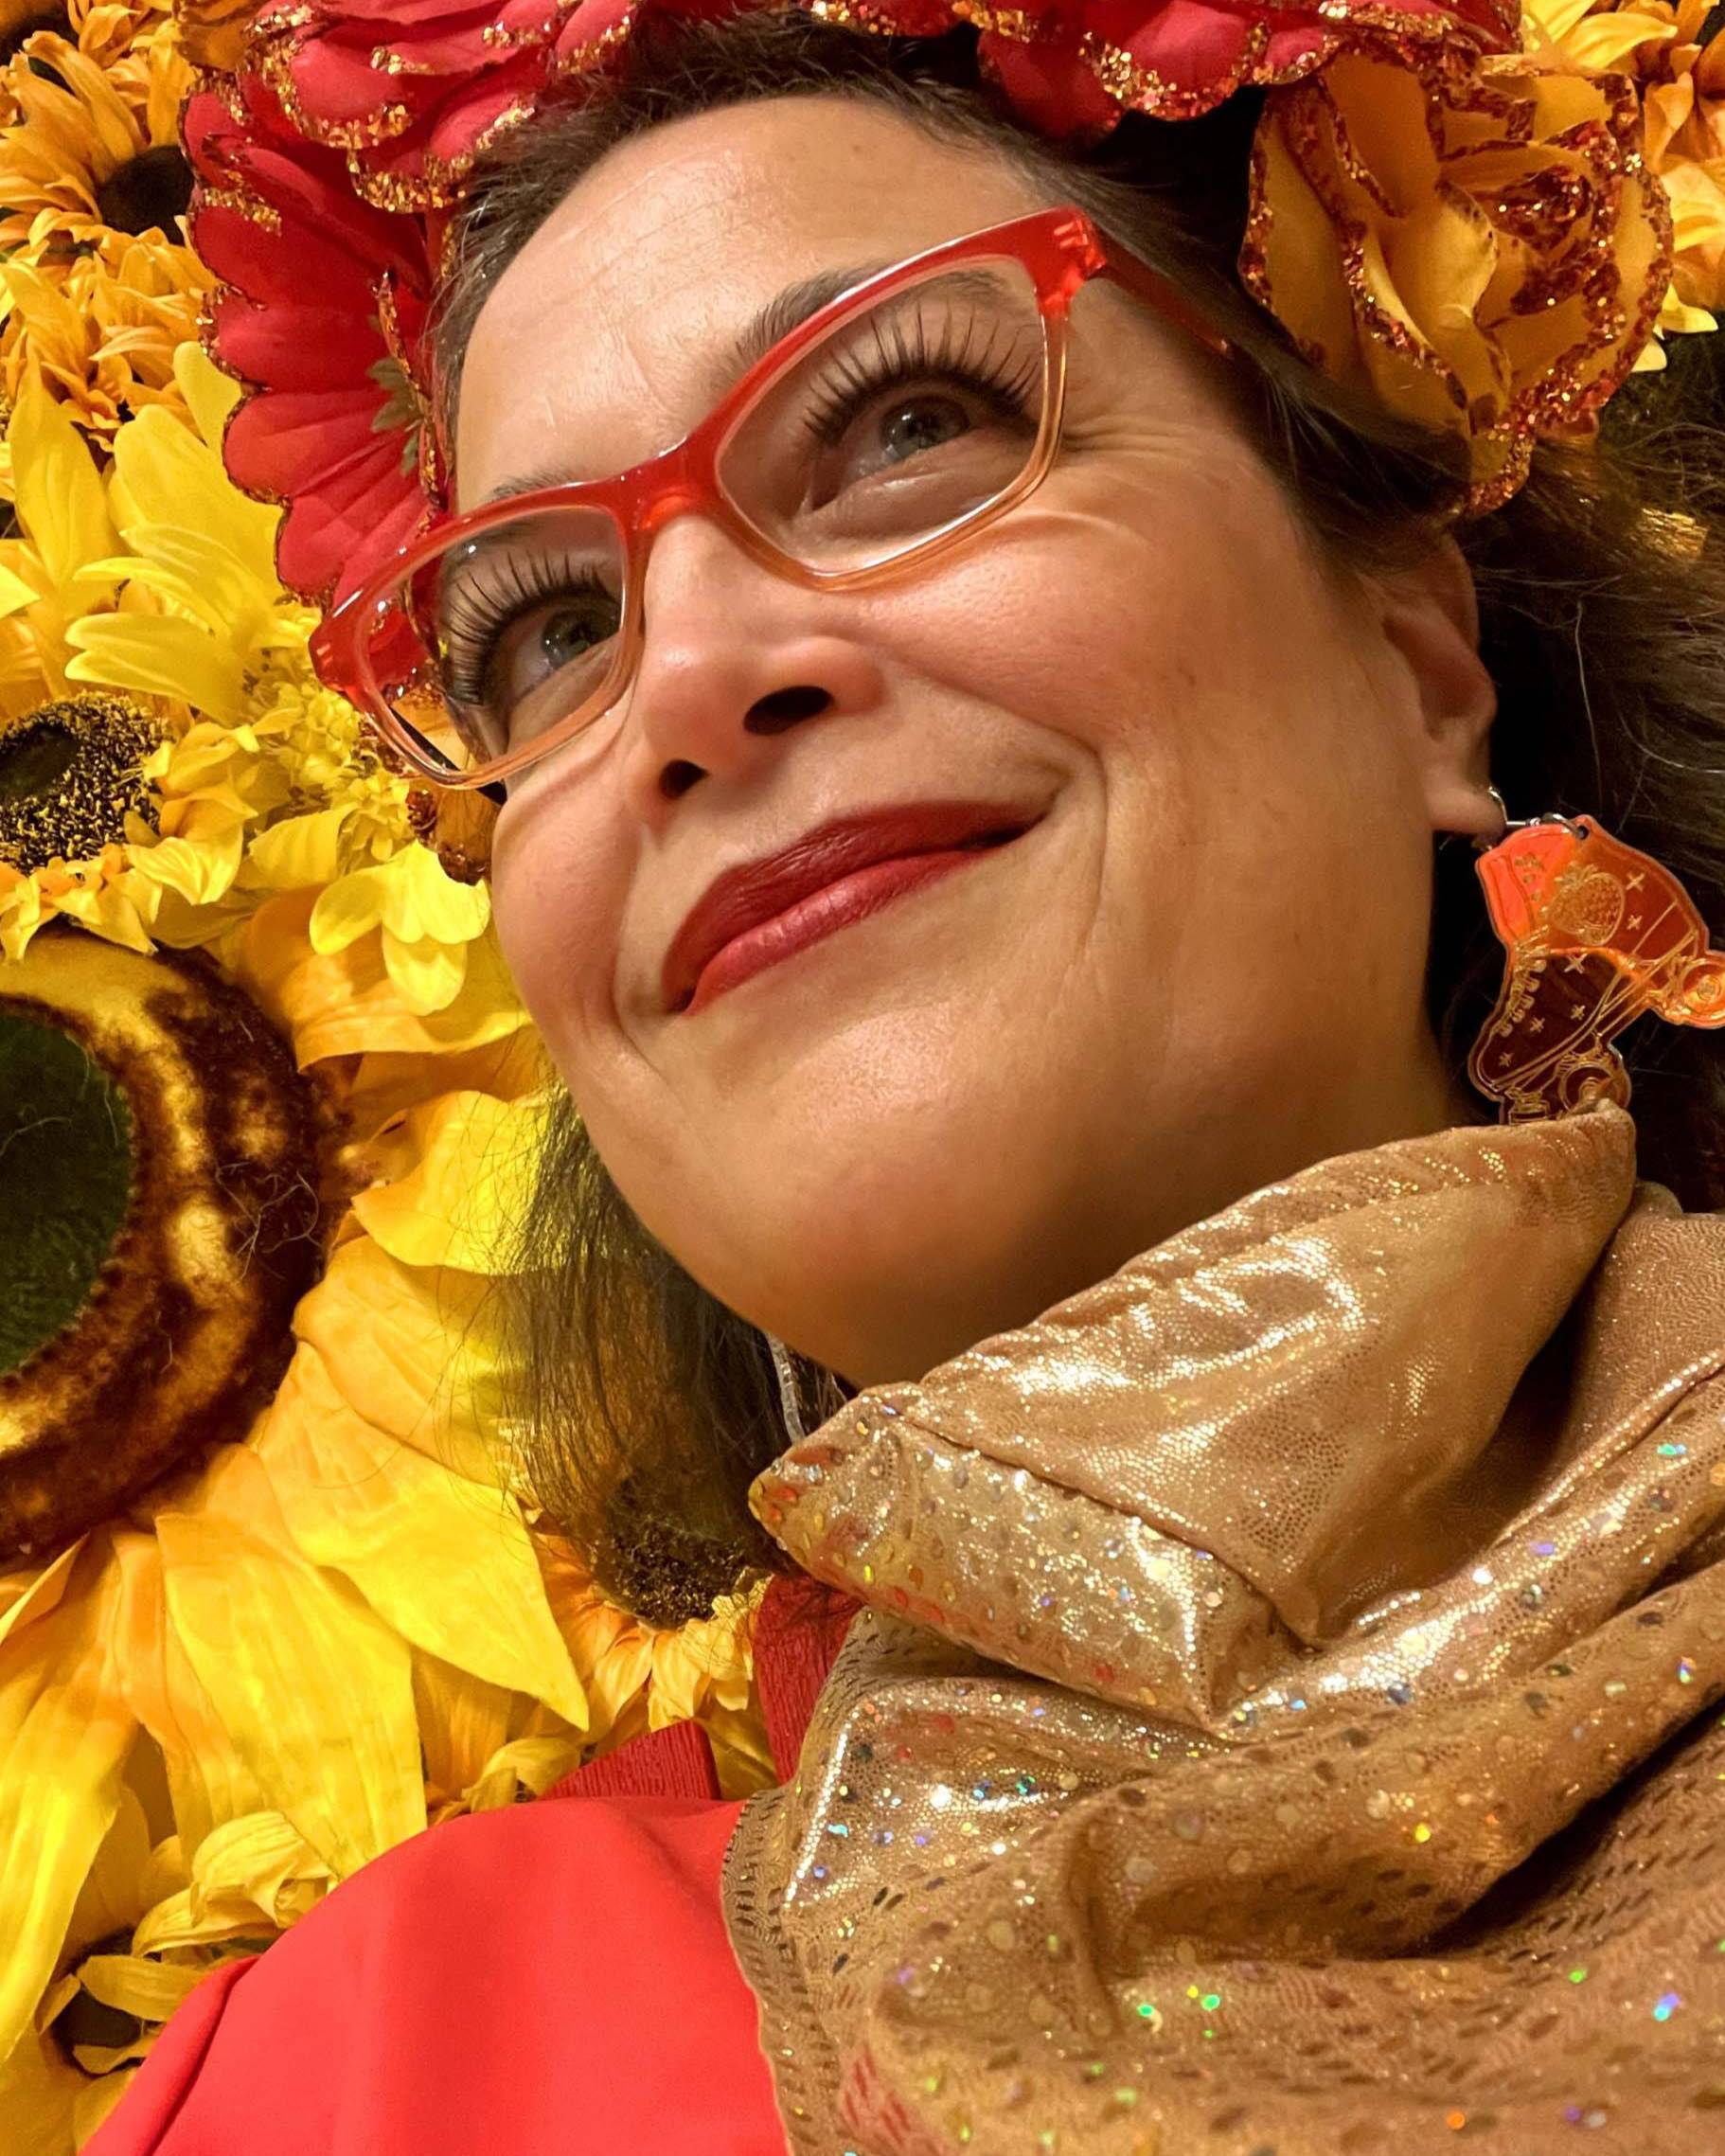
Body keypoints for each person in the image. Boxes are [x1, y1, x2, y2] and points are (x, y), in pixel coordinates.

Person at [92, 0, 1725, 2148]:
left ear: (1423, 660)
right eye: (541, 634)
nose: (680, 676)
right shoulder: (367, 2072)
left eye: (901, 420)